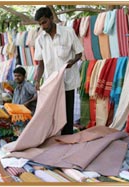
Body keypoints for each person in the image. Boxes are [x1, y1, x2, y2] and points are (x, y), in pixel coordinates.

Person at [34, 7, 84, 135]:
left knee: (67, 115)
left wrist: (72, 62)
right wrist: (37, 80)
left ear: (51, 18)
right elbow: (40, 63)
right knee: (51, 114)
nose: (42, 26)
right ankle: (54, 140)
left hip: (67, 82)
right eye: (40, 24)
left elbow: (79, 53)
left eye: (44, 22)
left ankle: (67, 140)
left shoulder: (68, 32)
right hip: (51, 83)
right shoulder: (40, 39)